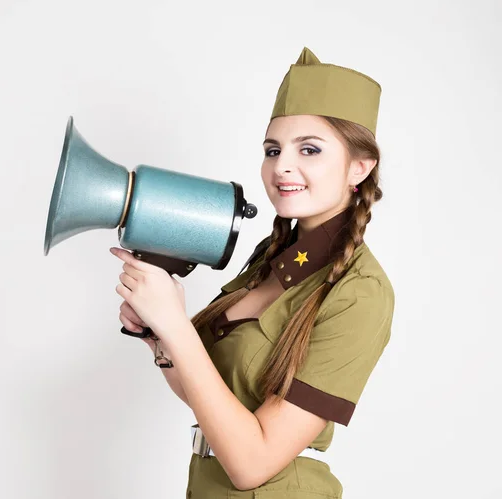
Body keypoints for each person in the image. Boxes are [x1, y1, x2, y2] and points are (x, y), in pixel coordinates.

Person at [109, 46, 395, 499]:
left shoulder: (361, 293)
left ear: (359, 168)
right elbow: (213, 398)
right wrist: (158, 335)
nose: (282, 165)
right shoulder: (274, 256)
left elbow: (250, 465)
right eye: (273, 149)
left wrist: (178, 326)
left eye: (310, 149)